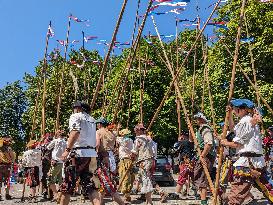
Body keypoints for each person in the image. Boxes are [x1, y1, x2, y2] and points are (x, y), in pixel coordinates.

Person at [220, 99, 273, 204]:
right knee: (269, 189)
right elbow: (234, 130)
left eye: (235, 108)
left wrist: (225, 143)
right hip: (255, 161)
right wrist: (229, 115)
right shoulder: (246, 120)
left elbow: (237, 144)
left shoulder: (246, 121)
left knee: (236, 194)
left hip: (247, 163)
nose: (234, 110)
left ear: (242, 109)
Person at [59, 101, 101, 205]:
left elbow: (75, 132)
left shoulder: (76, 116)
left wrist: (67, 150)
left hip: (78, 154)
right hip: (91, 155)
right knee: (91, 187)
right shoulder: (92, 120)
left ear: (78, 108)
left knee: (67, 186)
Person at [96, 117, 124, 205]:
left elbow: (97, 144)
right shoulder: (112, 133)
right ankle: (100, 202)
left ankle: (121, 203)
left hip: (103, 157)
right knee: (102, 181)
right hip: (111, 157)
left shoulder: (98, 132)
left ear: (100, 124)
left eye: (97, 124)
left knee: (105, 181)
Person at [192, 112, 216, 205]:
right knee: (199, 177)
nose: (196, 121)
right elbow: (191, 140)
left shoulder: (205, 129)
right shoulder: (200, 129)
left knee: (202, 179)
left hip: (206, 156)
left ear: (202, 119)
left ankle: (204, 202)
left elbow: (209, 143)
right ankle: (203, 200)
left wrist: (202, 156)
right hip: (203, 155)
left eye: (197, 119)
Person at [131, 123, 154, 205]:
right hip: (150, 160)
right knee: (146, 178)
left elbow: (134, 151)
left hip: (143, 161)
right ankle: (148, 201)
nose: (135, 132)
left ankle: (149, 202)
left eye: (136, 130)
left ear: (139, 130)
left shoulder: (138, 139)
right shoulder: (149, 138)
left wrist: (132, 157)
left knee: (146, 179)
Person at [171, 131, 195, 199]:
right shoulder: (192, 143)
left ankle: (176, 193)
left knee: (182, 177)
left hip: (185, 162)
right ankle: (193, 192)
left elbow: (175, 150)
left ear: (183, 136)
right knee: (194, 178)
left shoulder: (184, 142)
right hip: (191, 162)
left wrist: (179, 141)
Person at [147, 131, 168, 202]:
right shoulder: (153, 143)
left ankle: (162, 192)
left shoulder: (150, 143)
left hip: (149, 161)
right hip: (151, 161)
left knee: (148, 179)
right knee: (145, 179)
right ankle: (144, 195)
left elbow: (151, 154)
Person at [47, 130, 67, 202]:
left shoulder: (55, 141)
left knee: (49, 179)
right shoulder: (66, 142)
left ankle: (56, 195)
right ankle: (60, 195)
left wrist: (54, 139)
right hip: (62, 162)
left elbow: (48, 147)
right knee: (60, 180)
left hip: (56, 162)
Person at [116, 128, 134, 203]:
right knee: (127, 177)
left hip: (125, 160)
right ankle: (127, 195)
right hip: (127, 159)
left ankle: (125, 195)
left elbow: (116, 137)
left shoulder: (125, 140)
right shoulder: (130, 140)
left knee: (125, 177)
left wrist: (117, 129)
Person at [0, 136, 15, 200]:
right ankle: (7, 194)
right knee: (7, 180)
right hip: (7, 166)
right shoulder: (9, 148)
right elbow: (12, 157)